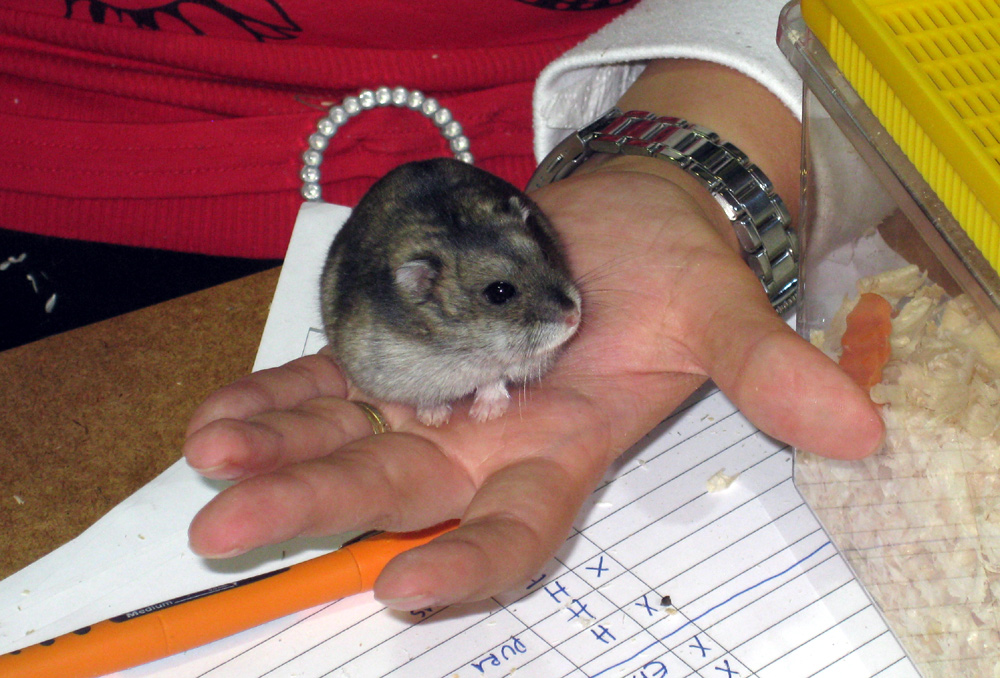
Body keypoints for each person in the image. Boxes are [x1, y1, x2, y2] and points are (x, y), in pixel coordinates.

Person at [3, 0, 884, 611]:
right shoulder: (396, 308)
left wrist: (699, 148)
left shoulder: (507, 248)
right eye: (505, 296)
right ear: (421, 293)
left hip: (593, 94)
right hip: (66, 170)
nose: (567, 312)